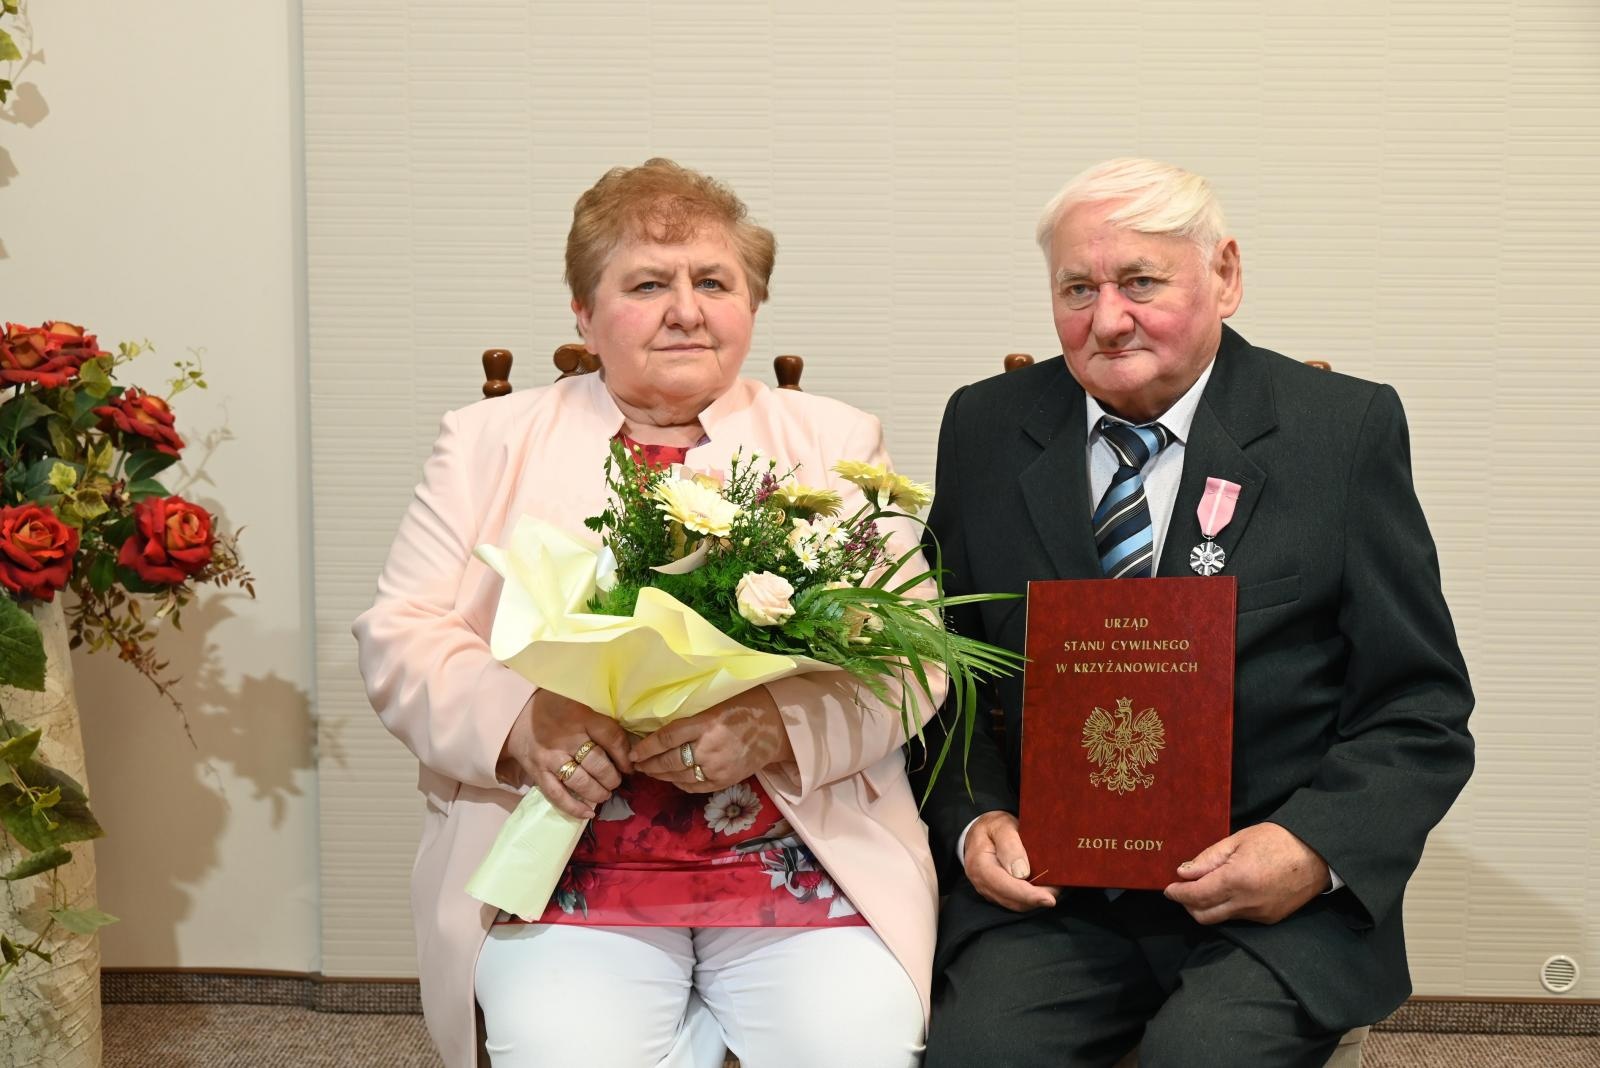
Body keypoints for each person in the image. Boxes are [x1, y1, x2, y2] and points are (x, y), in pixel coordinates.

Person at [354, 158, 938, 1068]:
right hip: (564, 856)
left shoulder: (836, 441)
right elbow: (402, 633)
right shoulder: (485, 441)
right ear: (583, 315)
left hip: (796, 846)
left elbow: (911, 658)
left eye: (714, 282)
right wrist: (525, 723)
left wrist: (775, 725)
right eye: (647, 284)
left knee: (852, 1050)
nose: (686, 309)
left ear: (750, 305)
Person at [915, 157, 1474, 1067]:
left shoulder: (1342, 432)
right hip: (1052, 900)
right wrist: (974, 822)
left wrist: (1308, 848)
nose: (1106, 320)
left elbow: (1420, 712)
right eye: (1077, 289)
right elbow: (939, 676)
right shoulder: (983, 427)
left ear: (1225, 276)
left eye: (1141, 282)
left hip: (1271, 906)